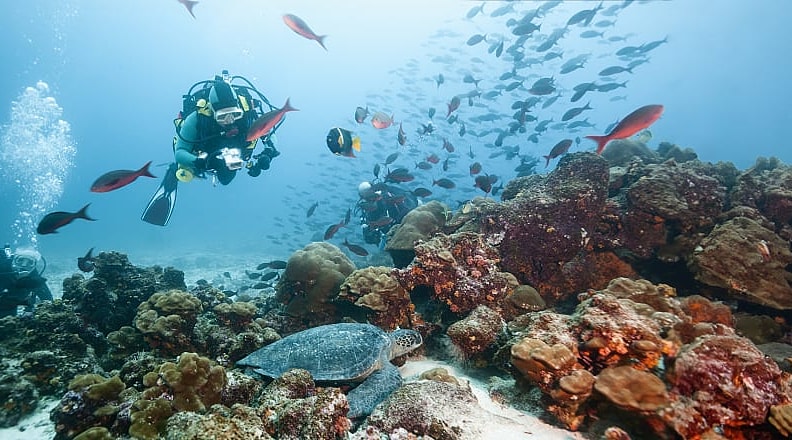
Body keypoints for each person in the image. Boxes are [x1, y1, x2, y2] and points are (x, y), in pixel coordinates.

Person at [142, 70, 281, 226]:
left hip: (233, 156)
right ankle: (172, 176)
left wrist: (268, 153)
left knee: (226, 179)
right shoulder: (197, 118)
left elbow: (269, 133)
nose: (230, 121)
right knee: (187, 170)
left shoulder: (248, 114)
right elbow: (180, 152)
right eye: (223, 116)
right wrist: (202, 162)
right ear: (213, 111)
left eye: (234, 114)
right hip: (203, 157)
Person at [355, 181, 418, 245]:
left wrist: (395, 222)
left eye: (370, 197)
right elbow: (370, 238)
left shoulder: (386, 198)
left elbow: (407, 210)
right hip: (392, 235)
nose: (370, 200)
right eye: (367, 199)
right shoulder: (367, 207)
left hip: (409, 224)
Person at [0, 244, 52, 318]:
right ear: (13, 260)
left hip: (9, 306)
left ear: (34, 266)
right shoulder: (2, 268)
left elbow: (47, 298)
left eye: (30, 262)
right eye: (20, 260)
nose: (24, 265)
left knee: (8, 319)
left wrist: (30, 309)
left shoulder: (33, 277)